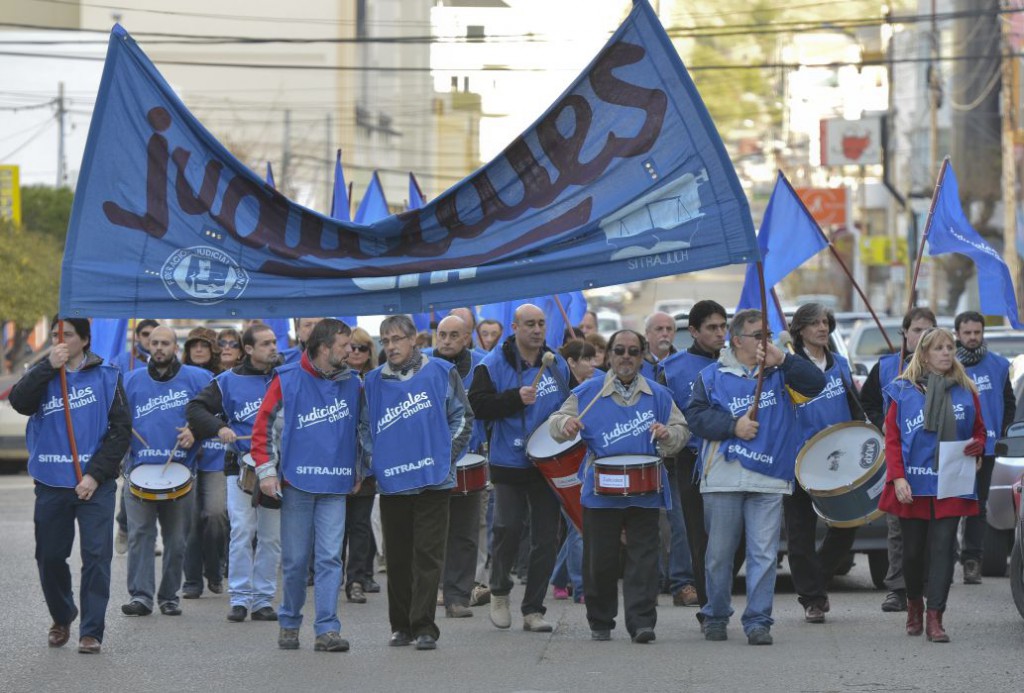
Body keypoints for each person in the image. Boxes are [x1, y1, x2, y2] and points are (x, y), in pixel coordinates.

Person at [684, 309, 824, 645]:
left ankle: (758, 621)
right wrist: (734, 427)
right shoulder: (711, 375)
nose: (765, 341)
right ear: (737, 340)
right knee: (719, 554)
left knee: (764, 554)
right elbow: (696, 417)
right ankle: (715, 615)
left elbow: (817, 384)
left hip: (769, 479)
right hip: (723, 479)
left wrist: (784, 360)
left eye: (768, 335)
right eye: (758, 335)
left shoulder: (780, 374)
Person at [549, 330, 689, 643]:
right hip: (601, 491)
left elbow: (681, 430)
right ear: (609, 355)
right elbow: (556, 423)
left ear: (641, 357)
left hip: (646, 489)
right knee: (600, 559)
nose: (626, 356)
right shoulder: (588, 392)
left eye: (633, 351)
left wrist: (668, 435)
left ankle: (641, 622)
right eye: (620, 350)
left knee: (644, 559)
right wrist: (565, 426)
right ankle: (600, 620)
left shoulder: (658, 394)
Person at [10, 318, 130, 654]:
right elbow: (20, 402)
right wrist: (47, 366)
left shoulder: (108, 375)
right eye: (54, 335)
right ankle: (62, 615)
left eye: (67, 335)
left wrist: (95, 475)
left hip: (95, 483)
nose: (59, 340)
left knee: (96, 556)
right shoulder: (44, 371)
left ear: (86, 340)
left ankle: (91, 631)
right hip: (51, 482)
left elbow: (120, 431)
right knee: (49, 556)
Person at [362, 315, 472, 650]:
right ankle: (401, 626)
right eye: (385, 340)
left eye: (396, 339)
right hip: (394, 482)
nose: (390, 346)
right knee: (397, 557)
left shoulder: (441, 372)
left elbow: (463, 417)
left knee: (427, 555)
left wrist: (445, 457)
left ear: (414, 341)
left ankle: (424, 626)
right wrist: (375, 464)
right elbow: (364, 430)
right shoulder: (371, 382)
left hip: (433, 481)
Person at [252, 319, 362, 653]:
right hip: (296, 482)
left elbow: (362, 430)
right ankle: (289, 621)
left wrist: (360, 468)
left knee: (330, 558)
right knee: (297, 560)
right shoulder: (286, 379)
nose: (351, 351)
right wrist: (267, 473)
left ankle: (327, 629)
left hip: (335, 483)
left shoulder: (353, 383)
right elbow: (263, 429)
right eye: (345, 346)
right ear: (325, 347)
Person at [878, 327, 986, 642]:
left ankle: (935, 617)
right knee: (912, 554)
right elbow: (893, 439)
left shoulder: (966, 389)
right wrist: (897, 477)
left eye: (950, 347)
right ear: (924, 354)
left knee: (943, 551)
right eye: (939, 348)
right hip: (913, 485)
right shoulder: (903, 390)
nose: (946, 353)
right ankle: (914, 605)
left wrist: (978, 446)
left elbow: (979, 431)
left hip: (951, 484)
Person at [469, 303, 570, 634]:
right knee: (508, 529)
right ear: (514, 327)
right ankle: (498, 592)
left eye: (541, 323)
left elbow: (568, 405)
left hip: (547, 462)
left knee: (545, 537)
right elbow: (477, 406)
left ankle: (533, 609)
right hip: (508, 460)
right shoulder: (491, 364)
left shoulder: (556, 364)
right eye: (530, 324)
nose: (537, 330)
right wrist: (514, 398)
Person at [186, 323, 282, 623]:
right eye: (265, 344)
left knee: (271, 536)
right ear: (249, 349)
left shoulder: (286, 377)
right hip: (240, 465)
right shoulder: (227, 381)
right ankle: (240, 597)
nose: (273, 348)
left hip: (279, 467)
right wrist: (220, 427)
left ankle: (264, 599)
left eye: (274, 342)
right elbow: (195, 409)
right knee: (242, 531)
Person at [121, 326, 212, 618]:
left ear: (176, 346)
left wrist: (195, 430)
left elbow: (218, 413)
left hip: (181, 472)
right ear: (147, 345)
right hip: (139, 472)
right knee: (140, 535)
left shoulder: (198, 379)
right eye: (154, 342)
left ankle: (169, 596)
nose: (158, 347)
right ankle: (141, 596)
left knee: (176, 540)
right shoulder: (132, 380)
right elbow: (117, 424)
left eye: (165, 343)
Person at [784, 303, 862, 623]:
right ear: (800, 329)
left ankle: (817, 577)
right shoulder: (788, 366)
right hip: (799, 460)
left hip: (839, 460)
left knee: (848, 525)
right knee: (800, 534)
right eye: (814, 323)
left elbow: (855, 407)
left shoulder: (840, 363)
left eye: (825, 322)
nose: (822, 328)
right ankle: (813, 599)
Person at [861, 307, 937, 613]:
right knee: (898, 528)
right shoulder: (887, 367)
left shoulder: (946, 369)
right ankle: (897, 588)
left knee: (933, 529)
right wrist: (881, 421)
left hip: (934, 462)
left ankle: (930, 586)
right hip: (900, 461)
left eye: (929, 330)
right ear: (904, 333)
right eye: (917, 330)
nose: (922, 336)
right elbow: (866, 401)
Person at [658, 300, 728, 609]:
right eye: (712, 328)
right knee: (696, 535)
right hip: (689, 461)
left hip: (731, 457)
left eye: (724, 327)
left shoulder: (737, 363)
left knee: (729, 535)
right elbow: (660, 416)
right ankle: (707, 602)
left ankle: (718, 593)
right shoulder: (670, 370)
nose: (720, 334)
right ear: (693, 331)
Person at [432, 315, 488, 619]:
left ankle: (458, 596)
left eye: (455, 335)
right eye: (442, 334)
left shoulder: (482, 366)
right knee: (433, 529)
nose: (447, 341)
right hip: (431, 460)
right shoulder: (423, 365)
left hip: (470, 459)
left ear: (467, 338)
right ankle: (435, 588)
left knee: (466, 532)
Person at [953, 311, 1015, 583]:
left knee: (977, 506)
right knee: (951, 504)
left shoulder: (999, 366)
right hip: (953, 448)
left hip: (987, 447)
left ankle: (971, 560)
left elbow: (1008, 403)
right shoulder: (946, 362)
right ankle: (943, 560)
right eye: (967, 333)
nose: (972, 337)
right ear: (957, 334)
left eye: (977, 332)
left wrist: (1001, 433)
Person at [181, 326, 228, 600]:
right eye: (193, 345)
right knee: (189, 521)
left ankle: (214, 566)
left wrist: (199, 429)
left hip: (215, 457)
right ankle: (192, 580)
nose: (198, 349)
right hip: (185, 459)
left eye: (204, 345)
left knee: (215, 514)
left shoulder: (224, 380)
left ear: (213, 350)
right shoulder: (177, 378)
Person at [549, 339, 596, 603]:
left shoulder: (596, 386)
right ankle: (581, 587)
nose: (593, 364)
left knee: (578, 525)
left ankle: (558, 576)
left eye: (594, 358)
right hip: (566, 463)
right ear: (571, 362)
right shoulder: (564, 391)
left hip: (587, 462)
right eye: (587, 359)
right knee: (578, 525)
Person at [342, 326, 381, 604]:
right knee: (335, 527)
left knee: (359, 525)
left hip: (366, 463)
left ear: (370, 353)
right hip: (337, 463)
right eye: (351, 347)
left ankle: (356, 579)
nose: (355, 352)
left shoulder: (379, 380)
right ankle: (330, 576)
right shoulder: (335, 380)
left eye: (362, 348)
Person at [642, 311, 677, 379]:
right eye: (659, 329)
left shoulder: (682, 363)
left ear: (675, 333)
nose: (665, 334)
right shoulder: (636, 364)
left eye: (669, 329)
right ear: (647, 333)